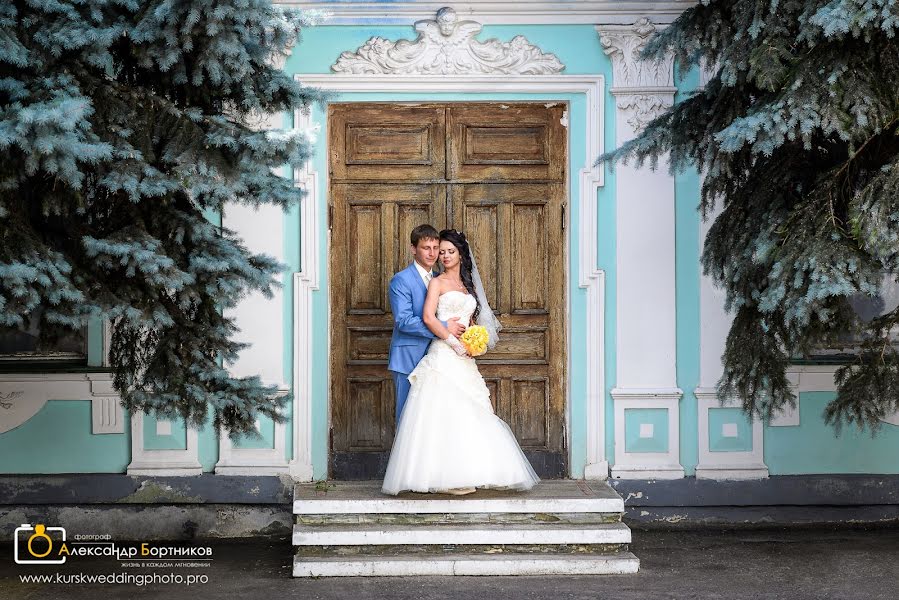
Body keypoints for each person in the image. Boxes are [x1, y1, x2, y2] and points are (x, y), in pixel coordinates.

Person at [381, 229, 540, 496]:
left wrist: (473, 342)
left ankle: (468, 470)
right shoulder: (410, 281)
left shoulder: (461, 284)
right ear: (414, 249)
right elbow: (410, 320)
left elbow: (471, 319)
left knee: (465, 413)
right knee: (419, 418)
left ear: (460, 254)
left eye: (443, 250)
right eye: (432, 249)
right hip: (423, 354)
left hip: (459, 357)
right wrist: (450, 337)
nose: (438, 255)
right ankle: (421, 475)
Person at [388, 225, 466, 422]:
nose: (432, 253)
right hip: (408, 357)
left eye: (435, 248)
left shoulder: (438, 278)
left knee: (431, 420)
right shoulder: (401, 280)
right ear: (414, 249)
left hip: (437, 358)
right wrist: (443, 327)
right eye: (426, 248)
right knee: (407, 418)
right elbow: (404, 321)